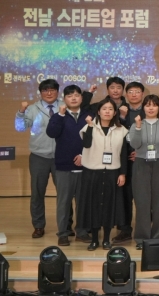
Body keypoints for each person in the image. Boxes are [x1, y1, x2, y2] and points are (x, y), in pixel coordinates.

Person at [77, 98, 128, 250]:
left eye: (110, 109)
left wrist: (123, 174)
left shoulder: (121, 130)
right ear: (98, 112)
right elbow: (86, 144)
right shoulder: (89, 127)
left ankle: (106, 239)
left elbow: (123, 154)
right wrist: (90, 126)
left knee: (108, 207)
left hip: (112, 173)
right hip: (92, 172)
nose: (107, 111)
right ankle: (94, 239)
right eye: (104, 109)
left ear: (115, 113)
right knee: (93, 207)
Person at [15, 78, 62, 239]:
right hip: (38, 156)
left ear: (57, 91)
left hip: (61, 156)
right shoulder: (32, 109)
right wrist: (21, 112)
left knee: (65, 193)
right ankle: (38, 226)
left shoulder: (64, 106)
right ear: (40, 92)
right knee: (37, 193)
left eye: (52, 90)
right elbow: (20, 127)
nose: (49, 93)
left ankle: (66, 226)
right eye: (45, 90)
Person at [46, 84, 91, 246]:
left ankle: (82, 232)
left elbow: (95, 139)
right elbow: (51, 133)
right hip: (64, 166)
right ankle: (63, 233)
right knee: (63, 202)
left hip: (86, 166)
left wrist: (84, 156)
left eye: (76, 95)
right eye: (70, 96)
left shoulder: (89, 115)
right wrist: (59, 115)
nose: (73, 98)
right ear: (64, 99)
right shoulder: (59, 116)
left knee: (83, 202)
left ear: (81, 98)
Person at [128, 94, 159, 248]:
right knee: (142, 203)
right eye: (147, 105)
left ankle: (158, 238)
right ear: (143, 107)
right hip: (141, 164)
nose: (151, 108)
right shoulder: (136, 125)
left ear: (158, 108)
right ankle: (142, 239)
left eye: (154, 105)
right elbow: (135, 144)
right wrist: (138, 127)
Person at [112, 81, 145, 243]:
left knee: (143, 197)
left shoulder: (149, 110)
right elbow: (115, 133)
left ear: (142, 94)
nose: (134, 94)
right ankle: (124, 230)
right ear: (126, 95)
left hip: (144, 160)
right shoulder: (119, 111)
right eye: (130, 92)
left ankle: (143, 231)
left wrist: (141, 152)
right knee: (124, 197)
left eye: (137, 91)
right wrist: (122, 117)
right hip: (123, 160)